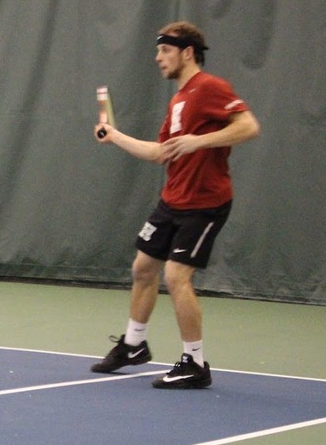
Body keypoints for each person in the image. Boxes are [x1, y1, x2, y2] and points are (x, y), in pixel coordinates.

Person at [91, 21, 260, 389]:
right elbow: (158, 154)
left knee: (176, 276)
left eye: (165, 51)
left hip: (205, 203)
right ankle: (134, 345)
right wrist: (115, 136)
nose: (158, 58)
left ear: (187, 52)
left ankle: (194, 364)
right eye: (157, 51)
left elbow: (248, 126)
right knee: (143, 268)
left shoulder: (210, 88)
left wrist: (200, 142)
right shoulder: (179, 99)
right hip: (173, 200)